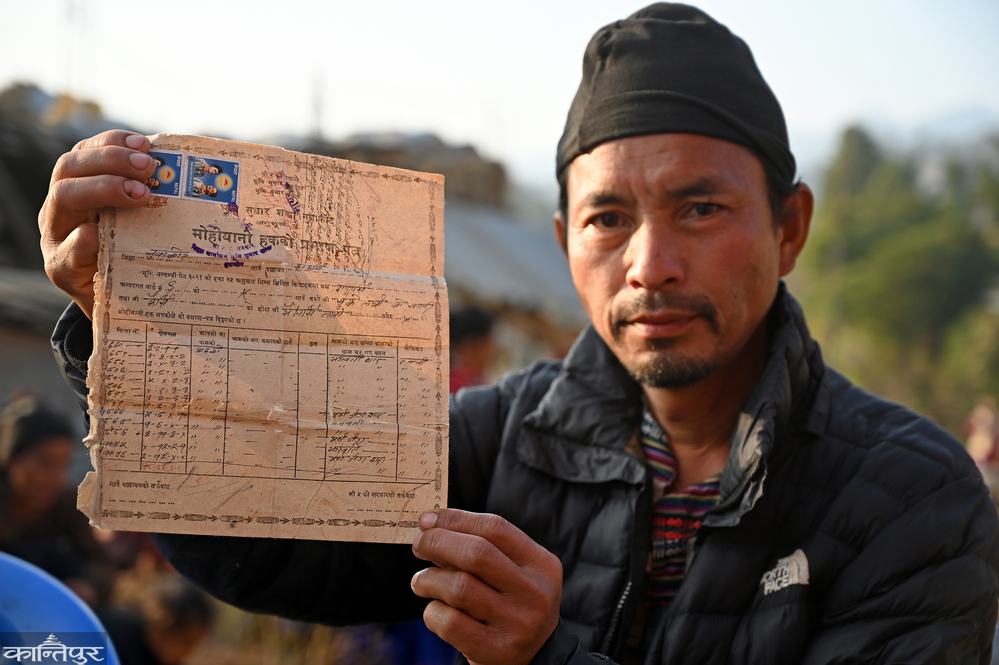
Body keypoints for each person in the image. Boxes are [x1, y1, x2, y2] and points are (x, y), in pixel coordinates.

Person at [38, 4, 999, 663]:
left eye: (700, 209)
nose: (649, 263)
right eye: (607, 218)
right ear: (562, 240)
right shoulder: (493, 438)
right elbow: (271, 551)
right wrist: (129, 323)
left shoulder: (913, 499)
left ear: (789, 228)